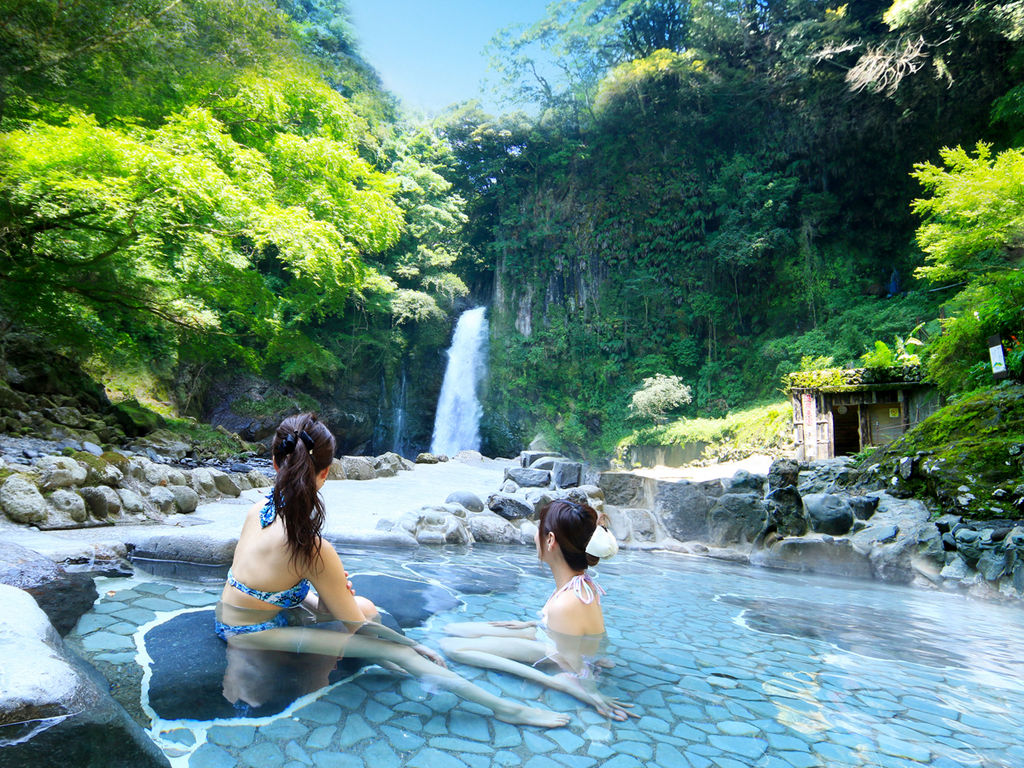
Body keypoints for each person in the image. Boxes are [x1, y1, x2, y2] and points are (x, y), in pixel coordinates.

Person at [214, 412, 568, 727]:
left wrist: (325, 593)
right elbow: (355, 625)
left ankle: (391, 660)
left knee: (366, 607)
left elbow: (266, 583)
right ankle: (507, 709)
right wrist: (411, 644)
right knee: (390, 647)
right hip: (250, 634)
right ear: (323, 474)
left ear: (276, 464)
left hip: (232, 613)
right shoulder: (312, 549)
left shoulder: (258, 509)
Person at [440, 499, 636, 720]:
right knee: (454, 628)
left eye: (539, 529)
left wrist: (589, 690)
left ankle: (556, 682)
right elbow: (584, 630)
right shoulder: (581, 583)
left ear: (550, 539)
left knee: (452, 647)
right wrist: (531, 625)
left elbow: (574, 661)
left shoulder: (566, 603)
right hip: (550, 634)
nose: (535, 536)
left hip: (554, 652)